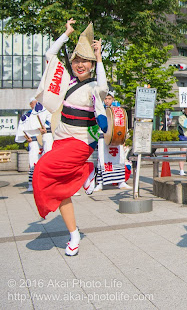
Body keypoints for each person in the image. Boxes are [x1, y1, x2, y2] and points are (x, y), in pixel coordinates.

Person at [32, 19, 109, 256]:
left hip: (80, 144)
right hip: (60, 141)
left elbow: (103, 90)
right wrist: (66, 33)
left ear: (91, 64)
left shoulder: (94, 86)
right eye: (76, 60)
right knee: (62, 191)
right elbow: (49, 54)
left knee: (42, 170)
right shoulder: (65, 81)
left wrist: (99, 58)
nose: (79, 64)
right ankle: (73, 234)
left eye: (84, 61)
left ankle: (85, 171)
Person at [95, 91, 131, 191]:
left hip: (116, 136)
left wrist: (123, 137)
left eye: (109, 99)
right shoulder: (99, 109)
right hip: (103, 135)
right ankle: (100, 183)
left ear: (113, 99)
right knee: (102, 159)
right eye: (105, 99)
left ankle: (121, 181)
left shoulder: (118, 110)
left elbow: (122, 124)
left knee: (119, 159)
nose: (107, 101)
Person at [15, 98, 42, 191]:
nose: (36, 105)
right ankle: (31, 184)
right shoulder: (26, 116)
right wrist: (27, 138)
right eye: (35, 103)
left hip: (44, 140)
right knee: (33, 163)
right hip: (33, 141)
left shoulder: (43, 113)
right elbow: (21, 129)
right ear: (30, 104)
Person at [177, 107, 187, 176]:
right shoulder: (181, 117)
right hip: (184, 138)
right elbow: (185, 125)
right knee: (183, 154)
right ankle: (181, 170)